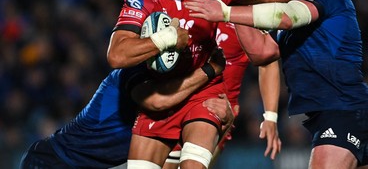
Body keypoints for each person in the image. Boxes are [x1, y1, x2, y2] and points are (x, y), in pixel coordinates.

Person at [107, 0, 333, 169]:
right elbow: (116, 55)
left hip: (209, 99)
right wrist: (167, 39)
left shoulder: (231, 1)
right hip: (168, 93)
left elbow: (266, 7)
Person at [184, 0, 368, 169]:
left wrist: (225, 13)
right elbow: (263, 53)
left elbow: (287, 18)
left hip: (342, 108)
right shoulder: (303, 12)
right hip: (331, 111)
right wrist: (235, 0)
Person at [19, 49, 229, 169]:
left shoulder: (182, 94)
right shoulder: (131, 74)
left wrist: (224, 120)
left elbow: (201, 155)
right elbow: (155, 101)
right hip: (52, 161)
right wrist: (209, 70)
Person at [209, 0, 281, 165]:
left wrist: (270, 117)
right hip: (179, 104)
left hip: (219, 114)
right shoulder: (192, 4)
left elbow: (268, 63)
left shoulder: (249, 17)